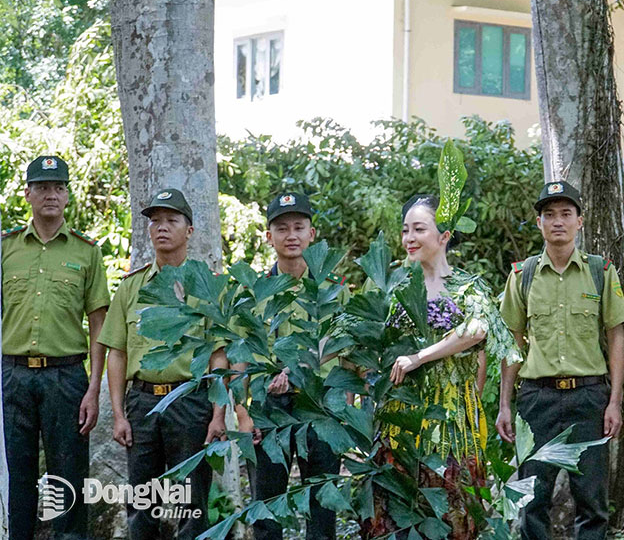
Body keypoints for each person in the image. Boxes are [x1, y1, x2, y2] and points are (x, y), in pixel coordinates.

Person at [363, 194, 519, 539]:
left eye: (419, 229)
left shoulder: (467, 287)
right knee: (396, 516)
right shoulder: (399, 288)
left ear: (444, 236)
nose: (409, 239)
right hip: (400, 419)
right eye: (405, 231)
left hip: (451, 423)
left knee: (452, 514)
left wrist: (420, 357)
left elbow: (477, 330)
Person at [496, 181, 624, 540]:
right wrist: (504, 404)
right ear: (539, 223)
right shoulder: (521, 275)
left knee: (592, 503)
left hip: (588, 399)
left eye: (566, 214)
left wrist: (615, 401)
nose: (558, 222)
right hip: (537, 399)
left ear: (579, 222)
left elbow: (617, 336)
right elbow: (511, 341)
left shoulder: (601, 272)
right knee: (531, 500)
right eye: (550, 215)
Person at [99, 188, 228, 539]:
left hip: (190, 402)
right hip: (142, 404)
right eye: (155, 221)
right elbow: (118, 352)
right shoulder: (131, 287)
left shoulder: (208, 286)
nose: (162, 227)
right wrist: (119, 413)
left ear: (189, 230)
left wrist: (218, 415)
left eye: (172, 220)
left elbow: (219, 355)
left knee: (192, 501)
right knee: (142, 502)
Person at [1, 155, 110, 540]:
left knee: (68, 478)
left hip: (65, 378)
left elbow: (100, 322)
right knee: (18, 476)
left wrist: (94, 387)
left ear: (67, 196)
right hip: (12, 376)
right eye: (43, 187)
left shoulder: (86, 251)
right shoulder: (7, 247)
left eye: (59, 187)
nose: (51, 194)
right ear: (27, 194)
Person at [233, 192, 348, 540]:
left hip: (321, 404)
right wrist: (242, 412)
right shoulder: (252, 291)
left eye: (300, 227)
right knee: (267, 506)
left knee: (322, 506)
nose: (292, 235)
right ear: (269, 237)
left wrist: (300, 371)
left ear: (313, 234)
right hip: (268, 408)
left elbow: (342, 346)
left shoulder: (334, 289)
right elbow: (239, 354)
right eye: (282, 228)